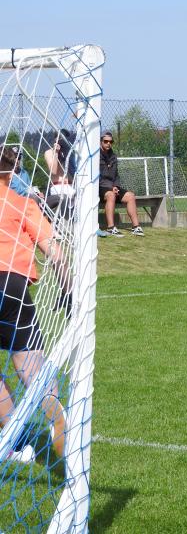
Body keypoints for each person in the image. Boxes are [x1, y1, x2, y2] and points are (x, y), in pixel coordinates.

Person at [0, 146, 68, 461]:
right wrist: (68, 289)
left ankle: (13, 440)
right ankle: (55, 413)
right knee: (30, 363)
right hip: (13, 284)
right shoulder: (22, 203)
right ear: (12, 172)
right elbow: (53, 250)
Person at [98, 132, 144, 237]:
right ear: (101, 142)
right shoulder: (96, 156)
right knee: (111, 195)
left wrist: (116, 186)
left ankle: (136, 227)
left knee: (130, 196)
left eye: (111, 142)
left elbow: (116, 174)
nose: (108, 143)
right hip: (100, 188)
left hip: (112, 187)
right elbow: (101, 175)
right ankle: (111, 228)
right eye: (106, 141)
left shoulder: (113, 156)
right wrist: (111, 188)